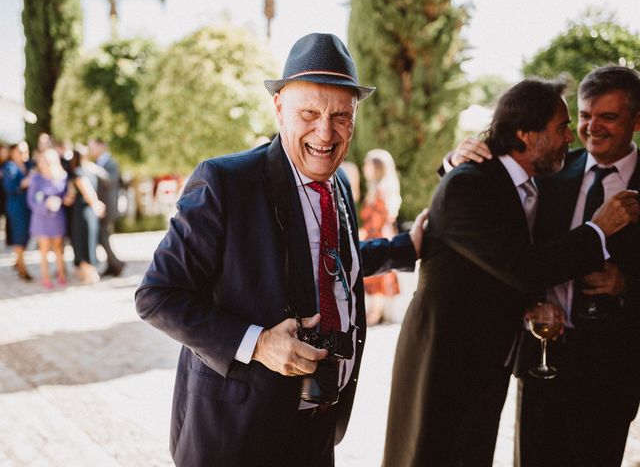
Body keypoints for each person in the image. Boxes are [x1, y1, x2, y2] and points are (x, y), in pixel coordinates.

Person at [135, 33, 424, 467]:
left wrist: (408, 248)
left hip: (318, 425)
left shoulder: (339, 182)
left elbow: (332, 262)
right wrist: (258, 343)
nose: (325, 132)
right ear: (278, 108)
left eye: (341, 116)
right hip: (237, 435)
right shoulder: (225, 182)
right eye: (309, 113)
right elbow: (156, 296)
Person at [382, 77, 639, 467]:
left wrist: (627, 285)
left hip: (603, 371)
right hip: (465, 364)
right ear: (526, 134)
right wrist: (599, 229)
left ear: (636, 121)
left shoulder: (536, 178)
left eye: (607, 117)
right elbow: (523, 263)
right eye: (571, 122)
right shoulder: (513, 178)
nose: (578, 134)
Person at [359, 149, 403, 325]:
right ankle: (375, 312)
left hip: (376, 236)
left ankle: (375, 313)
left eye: (367, 165)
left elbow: (378, 219)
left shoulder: (380, 191)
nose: (364, 168)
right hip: (376, 235)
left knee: (376, 277)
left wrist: (365, 232)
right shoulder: (377, 189)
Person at [27, 148, 69, 288]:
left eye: (46, 161)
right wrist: (45, 205)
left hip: (57, 218)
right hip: (41, 219)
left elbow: (65, 197)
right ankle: (45, 278)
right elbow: (31, 201)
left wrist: (61, 201)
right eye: (42, 160)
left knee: (58, 248)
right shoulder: (35, 179)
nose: (43, 163)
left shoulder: (62, 177)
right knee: (43, 249)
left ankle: (61, 274)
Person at [89, 138, 125, 277]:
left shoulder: (111, 163)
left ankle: (116, 264)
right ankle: (113, 265)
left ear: (101, 146)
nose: (91, 150)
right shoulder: (99, 162)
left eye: (93, 147)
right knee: (102, 236)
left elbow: (110, 181)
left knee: (103, 236)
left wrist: (96, 170)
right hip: (101, 206)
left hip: (109, 206)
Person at [69, 145, 105, 284]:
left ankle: (90, 275)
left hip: (82, 212)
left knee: (82, 241)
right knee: (89, 241)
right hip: (89, 212)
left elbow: (86, 190)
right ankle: (89, 274)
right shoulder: (90, 170)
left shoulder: (78, 173)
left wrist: (95, 203)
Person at [2, 141, 33, 281]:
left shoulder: (28, 165)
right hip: (16, 206)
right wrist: (25, 183)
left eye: (26, 151)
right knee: (19, 235)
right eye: (21, 151)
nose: (24, 154)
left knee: (25, 235)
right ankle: (21, 267)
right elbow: (9, 187)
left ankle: (18, 261)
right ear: (13, 153)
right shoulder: (9, 167)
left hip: (27, 206)